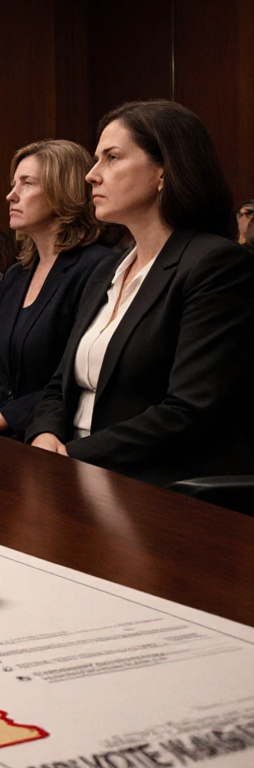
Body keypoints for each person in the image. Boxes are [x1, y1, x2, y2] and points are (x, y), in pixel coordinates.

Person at [27, 101, 254, 486]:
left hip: (150, 485)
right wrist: (44, 435)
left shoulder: (215, 265)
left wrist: (71, 457)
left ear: (164, 170)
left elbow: (188, 411)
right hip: (70, 469)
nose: (91, 176)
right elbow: (59, 383)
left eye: (112, 158)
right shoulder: (105, 271)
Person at [0, 140, 110, 438]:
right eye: (14, 184)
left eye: (27, 184)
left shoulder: (97, 268)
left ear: (62, 191)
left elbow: (71, 379)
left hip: (49, 434)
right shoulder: (16, 274)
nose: (11, 196)